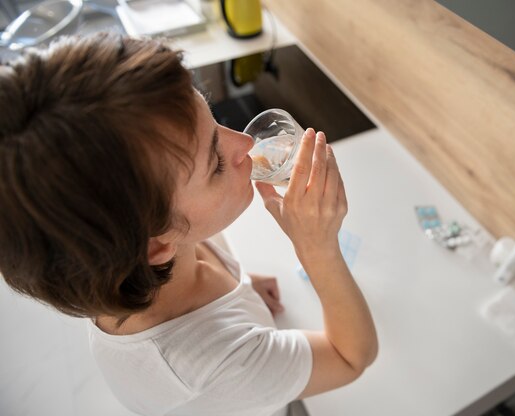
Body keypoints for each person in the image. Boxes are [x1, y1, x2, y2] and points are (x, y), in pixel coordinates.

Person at [0, 33, 378, 416]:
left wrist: (242, 289)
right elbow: (352, 357)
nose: (244, 145)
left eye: (214, 122)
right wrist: (318, 249)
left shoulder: (123, 260)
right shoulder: (217, 364)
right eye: (214, 163)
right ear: (154, 246)